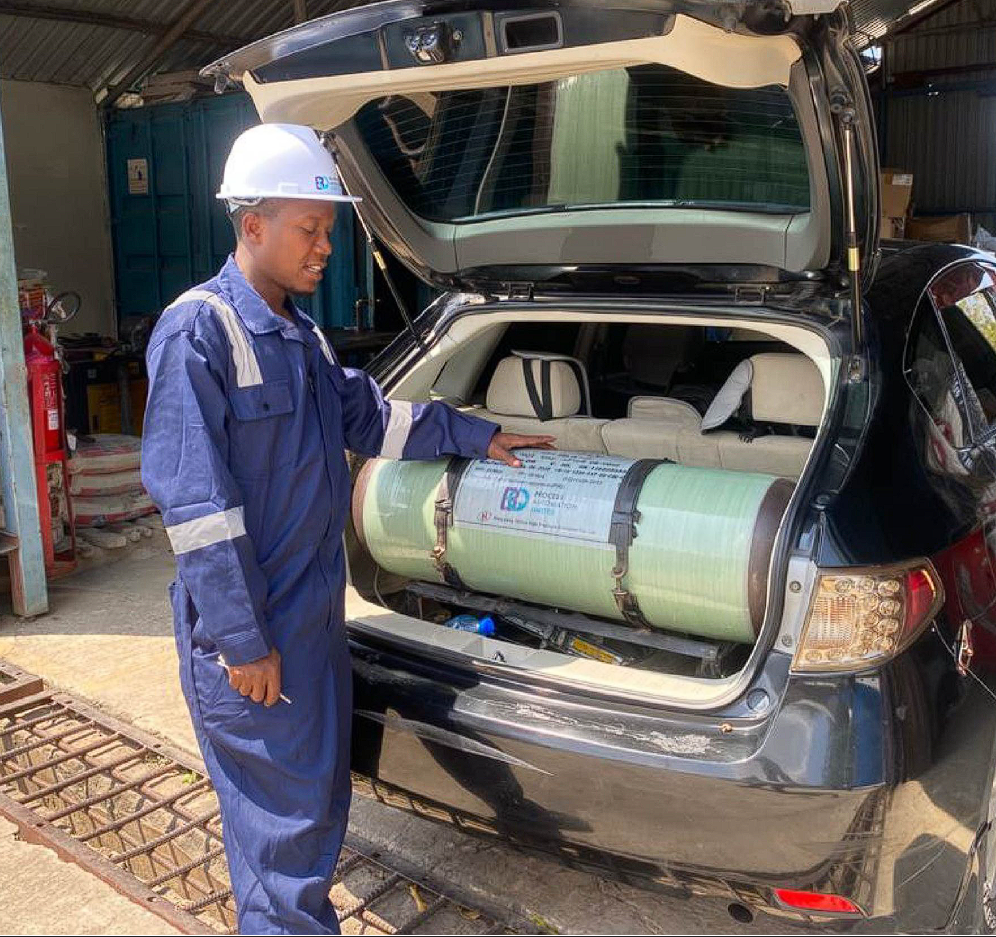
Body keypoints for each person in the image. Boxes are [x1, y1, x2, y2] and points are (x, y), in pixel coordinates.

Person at [141, 122, 554, 934]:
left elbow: (370, 417)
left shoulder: (299, 335)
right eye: (309, 227)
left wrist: (475, 434)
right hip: (254, 640)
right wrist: (241, 641)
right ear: (251, 224)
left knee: (316, 806)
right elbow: (196, 510)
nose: (325, 246)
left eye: (329, 228)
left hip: (312, 624)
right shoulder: (199, 333)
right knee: (281, 836)